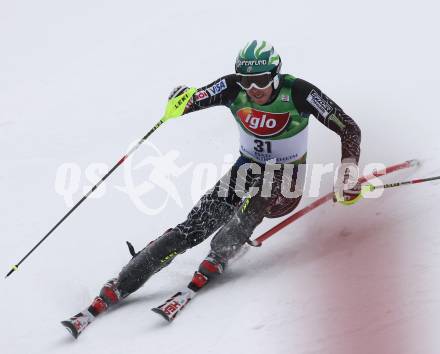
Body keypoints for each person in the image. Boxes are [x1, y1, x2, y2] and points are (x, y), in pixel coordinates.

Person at [62, 40, 361, 337]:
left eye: (259, 80)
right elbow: (196, 97)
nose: (253, 89)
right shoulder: (233, 88)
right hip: (248, 167)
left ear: (275, 75)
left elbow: (348, 127)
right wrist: (180, 102)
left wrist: (348, 169)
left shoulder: (298, 92)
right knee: (193, 228)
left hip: (286, 179)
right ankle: (124, 280)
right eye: (246, 81)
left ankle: (222, 250)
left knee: (258, 199)